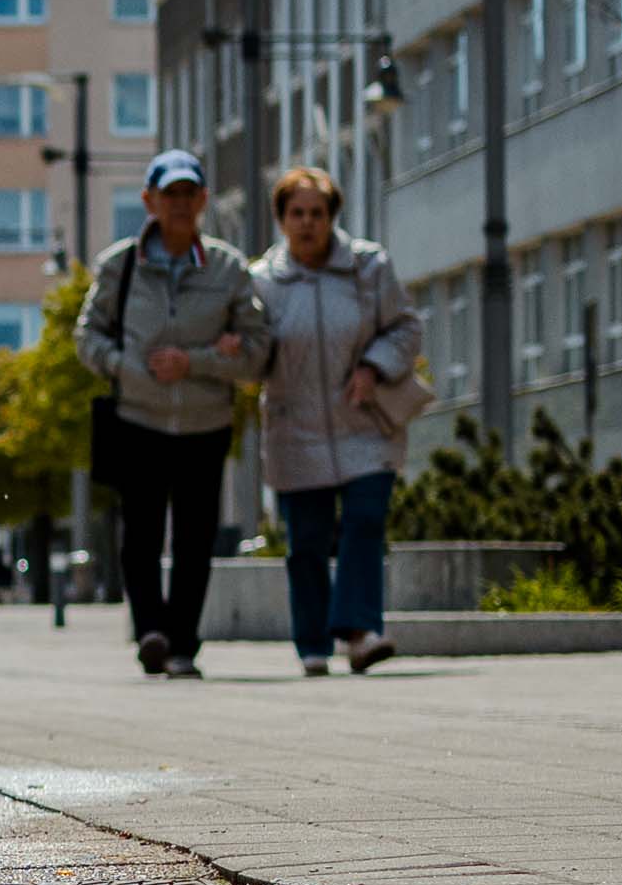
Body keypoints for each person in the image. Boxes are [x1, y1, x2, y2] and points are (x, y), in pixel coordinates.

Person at [76, 150, 271, 679]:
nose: (181, 204)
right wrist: (126, 368)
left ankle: (184, 643)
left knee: (194, 537)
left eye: (190, 194)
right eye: (171, 194)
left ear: (204, 200)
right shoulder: (120, 265)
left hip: (205, 424)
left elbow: (257, 351)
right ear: (150, 201)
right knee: (139, 535)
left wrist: (197, 362)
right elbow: (86, 336)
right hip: (138, 418)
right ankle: (151, 632)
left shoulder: (229, 269)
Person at [253, 163, 422, 677]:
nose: (308, 223)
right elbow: (253, 352)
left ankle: (359, 630)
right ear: (281, 219)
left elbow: (406, 329)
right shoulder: (261, 282)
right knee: (305, 542)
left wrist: (374, 366)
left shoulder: (369, 267)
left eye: (318, 213)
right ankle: (312, 644)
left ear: (333, 218)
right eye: (297, 213)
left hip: (363, 420)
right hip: (294, 427)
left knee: (366, 521)